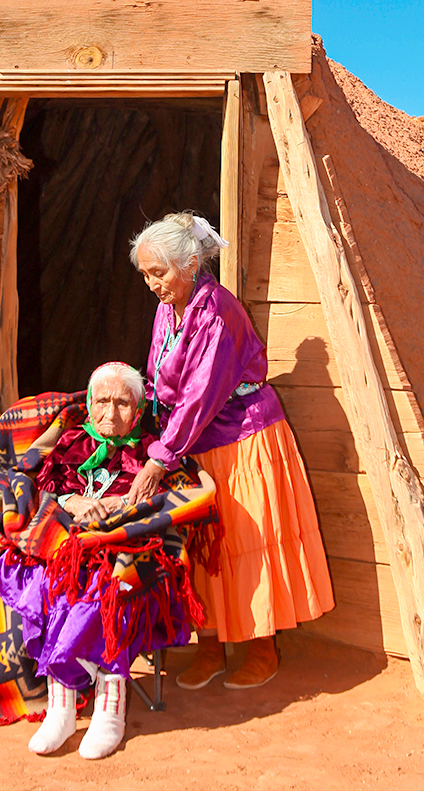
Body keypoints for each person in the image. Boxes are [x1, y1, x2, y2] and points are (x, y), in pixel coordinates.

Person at [126, 211, 334, 690]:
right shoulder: (167, 310)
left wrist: (161, 457)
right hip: (193, 442)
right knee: (204, 548)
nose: (153, 285)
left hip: (242, 439)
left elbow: (203, 391)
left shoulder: (217, 312)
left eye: (159, 273)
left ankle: (262, 649)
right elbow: (162, 379)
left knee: (247, 544)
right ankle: (212, 648)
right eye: (146, 276)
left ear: (192, 262)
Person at [0, 362, 195, 759]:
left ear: (138, 407)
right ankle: (62, 709)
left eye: (121, 403)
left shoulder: (155, 451)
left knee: (107, 585)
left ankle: (109, 707)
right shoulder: (69, 442)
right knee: (59, 579)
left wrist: (123, 506)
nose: (110, 414)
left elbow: (175, 499)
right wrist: (72, 501)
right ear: (89, 401)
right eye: (102, 402)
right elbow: (42, 487)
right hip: (73, 546)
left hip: (135, 553)